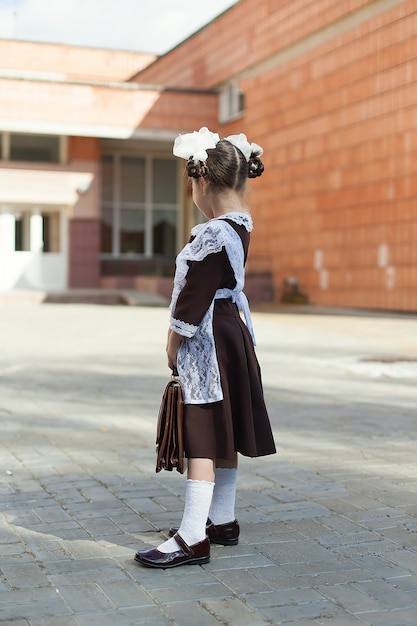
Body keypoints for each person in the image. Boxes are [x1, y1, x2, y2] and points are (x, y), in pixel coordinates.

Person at [135, 126, 276, 569]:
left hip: (208, 339)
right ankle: (223, 519)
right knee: (224, 423)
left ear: (202, 183)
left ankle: (194, 535)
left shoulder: (210, 234)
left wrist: (173, 340)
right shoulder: (239, 225)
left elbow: (191, 299)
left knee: (201, 431)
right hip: (232, 334)